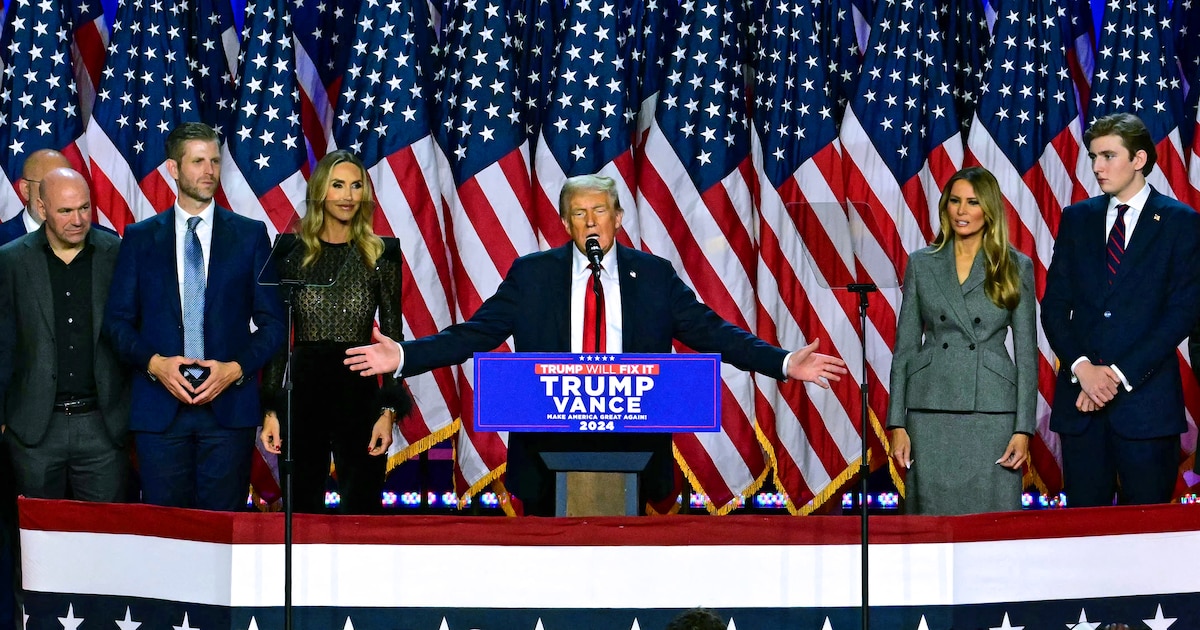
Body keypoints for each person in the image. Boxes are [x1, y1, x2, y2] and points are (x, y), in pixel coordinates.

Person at [344, 174, 847, 515]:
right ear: (564, 223)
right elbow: (475, 334)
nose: (590, 222)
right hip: (548, 450)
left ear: (618, 217)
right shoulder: (533, 275)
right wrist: (405, 355)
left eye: (599, 212)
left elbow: (712, 332)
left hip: (633, 446)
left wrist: (782, 362)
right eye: (579, 214)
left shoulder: (652, 276)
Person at [103, 122, 286, 511]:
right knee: (167, 537)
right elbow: (116, 324)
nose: (209, 171)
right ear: (173, 169)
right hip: (159, 412)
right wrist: (156, 365)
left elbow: (274, 324)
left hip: (227, 412)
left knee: (223, 536)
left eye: (215, 161)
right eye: (198, 161)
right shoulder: (139, 238)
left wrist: (235, 369)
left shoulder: (251, 236)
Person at [1042, 112, 1200, 507]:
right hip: (1081, 409)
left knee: (1147, 539)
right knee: (1082, 536)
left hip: (1145, 406)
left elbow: (1181, 313)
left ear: (1139, 159)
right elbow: (1055, 306)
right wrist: (1082, 368)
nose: (1097, 167)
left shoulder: (1181, 222)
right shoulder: (1077, 218)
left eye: (1108, 156)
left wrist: (1112, 376)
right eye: (1094, 156)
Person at [259, 150, 409, 514]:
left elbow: (393, 338)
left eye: (356, 186)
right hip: (304, 392)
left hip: (359, 391)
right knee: (302, 509)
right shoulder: (290, 251)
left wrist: (388, 409)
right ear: (320, 192)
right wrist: (271, 409)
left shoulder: (381, 253)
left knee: (362, 509)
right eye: (338, 185)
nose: (347, 195)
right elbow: (279, 337)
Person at [886, 167, 1036, 515]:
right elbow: (905, 347)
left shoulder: (1016, 265)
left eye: (972, 202)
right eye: (955, 201)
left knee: (991, 523)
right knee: (930, 523)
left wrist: (1023, 429)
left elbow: (1028, 355)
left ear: (989, 209)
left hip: (992, 411)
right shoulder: (922, 263)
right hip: (930, 408)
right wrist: (898, 422)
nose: (961, 211)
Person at [0, 167, 130, 500]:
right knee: (37, 545)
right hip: (34, 429)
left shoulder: (116, 254)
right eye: (65, 211)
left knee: (103, 540)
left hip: (102, 427)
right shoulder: (11, 260)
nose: (78, 219)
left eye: (84, 208)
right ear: (42, 209)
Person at [0, 149, 73, 246]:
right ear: (26, 189)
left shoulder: (98, 240)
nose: (61, 195)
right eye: (50, 184)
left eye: (66, 185)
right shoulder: (3, 241)